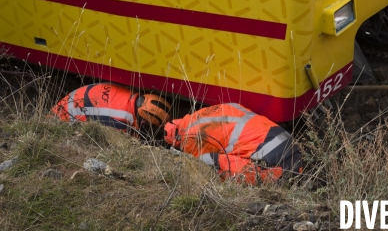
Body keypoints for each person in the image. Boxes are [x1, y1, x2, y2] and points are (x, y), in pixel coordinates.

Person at [163, 103, 302, 184]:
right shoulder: (207, 112)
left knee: (205, 161)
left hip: (274, 164)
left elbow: (199, 167)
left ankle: (269, 178)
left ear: (177, 141)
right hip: (291, 146)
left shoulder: (189, 139)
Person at [52, 83, 171, 138]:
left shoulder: (129, 94)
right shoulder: (121, 119)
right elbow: (121, 140)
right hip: (61, 119)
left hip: (69, 101)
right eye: (150, 125)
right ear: (144, 121)